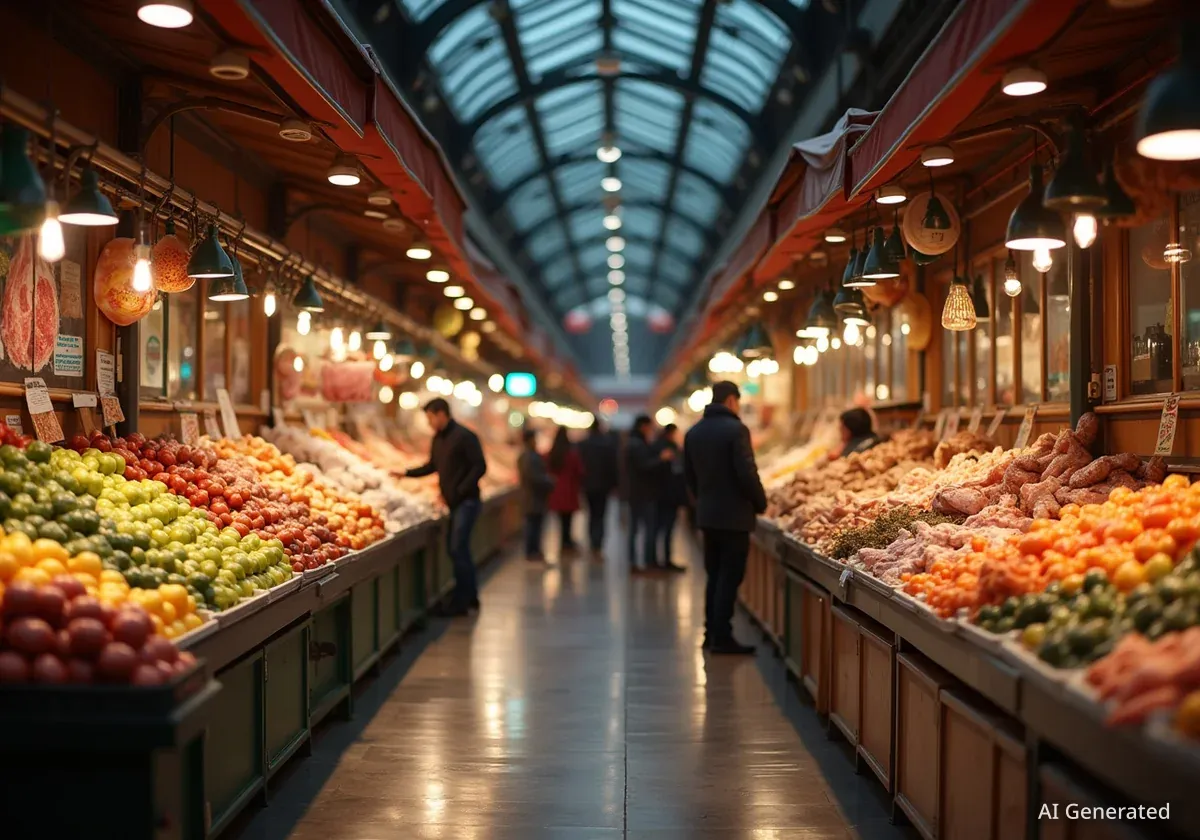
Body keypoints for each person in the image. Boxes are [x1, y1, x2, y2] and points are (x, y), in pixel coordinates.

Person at [684, 381, 767, 654]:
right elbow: (746, 472)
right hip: (734, 517)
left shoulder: (694, 432)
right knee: (730, 576)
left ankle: (712, 633)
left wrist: (703, 500)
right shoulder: (736, 430)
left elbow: (689, 477)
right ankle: (723, 636)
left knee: (715, 575)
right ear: (732, 400)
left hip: (708, 515)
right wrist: (760, 502)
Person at [402, 398, 487, 616]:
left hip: (467, 502)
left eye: (430, 417)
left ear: (441, 414)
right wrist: (405, 473)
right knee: (457, 548)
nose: (428, 423)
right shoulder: (438, 439)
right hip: (455, 504)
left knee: (458, 547)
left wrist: (459, 490)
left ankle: (462, 601)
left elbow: (480, 466)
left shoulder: (465, 436)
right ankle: (470, 596)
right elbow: (432, 465)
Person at [626, 414, 673, 571]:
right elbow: (644, 466)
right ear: (644, 426)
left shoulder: (633, 443)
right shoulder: (638, 445)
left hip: (636, 492)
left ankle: (635, 562)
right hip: (644, 493)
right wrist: (661, 458)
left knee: (635, 529)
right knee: (647, 528)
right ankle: (647, 562)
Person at [578, 419, 618, 556]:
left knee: (591, 514)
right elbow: (613, 466)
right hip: (603, 485)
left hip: (587, 484)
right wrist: (615, 484)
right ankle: (598, 545)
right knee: (600, 515)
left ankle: (592, 542)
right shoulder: (608, 445)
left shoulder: (583, 445)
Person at [654, 424, 688, 573]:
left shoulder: (660, 446)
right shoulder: (669, 449)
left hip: (663, 495)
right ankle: (663, 560)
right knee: (666, 528)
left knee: (661, 529)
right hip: (669, 496)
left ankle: (658, 560)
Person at [547, 426, 584, 555]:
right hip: (570, 491)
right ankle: (567, 542)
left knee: (560, 520)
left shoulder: (552, 454)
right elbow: (579, 471)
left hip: (556, 491)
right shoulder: (571, 454)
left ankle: (564, 542)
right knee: (568, 520)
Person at [517, 427, 553, 562]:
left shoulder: (526, 455)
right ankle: (532, 551)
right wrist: (548, 481)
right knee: (533, 525)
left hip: (531, 497)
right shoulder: (529, 457)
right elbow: (534, 477)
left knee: (533, 524)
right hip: (533, 497)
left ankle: (533, 550)